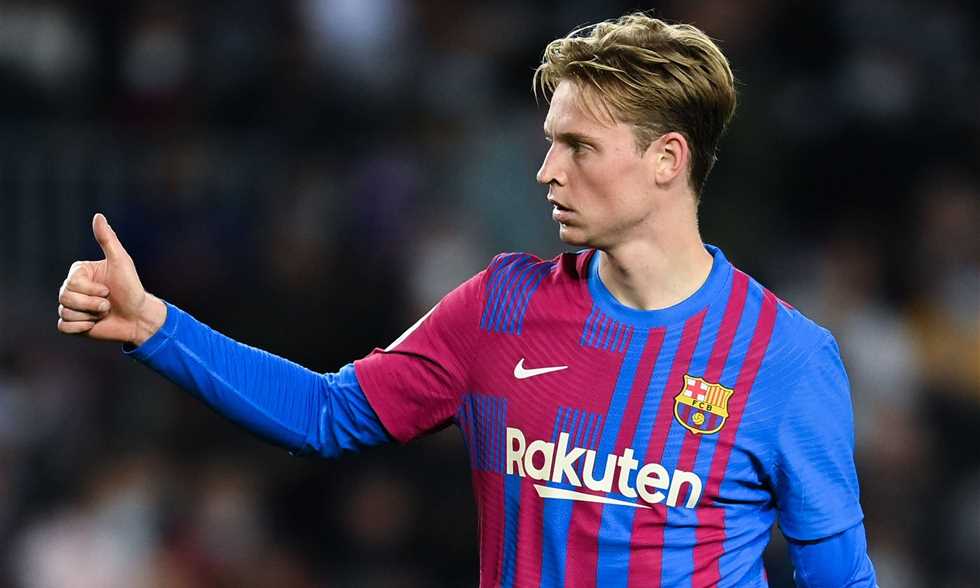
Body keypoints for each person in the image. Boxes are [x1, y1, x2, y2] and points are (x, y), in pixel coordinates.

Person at [57, 13, 877, 588]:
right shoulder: (500, 308)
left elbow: (838, 578)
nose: (547, 171)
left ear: (667, 159)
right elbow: (323, 414)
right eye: (550, 143)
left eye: (579, 147)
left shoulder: (786, 360)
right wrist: (155, 326)